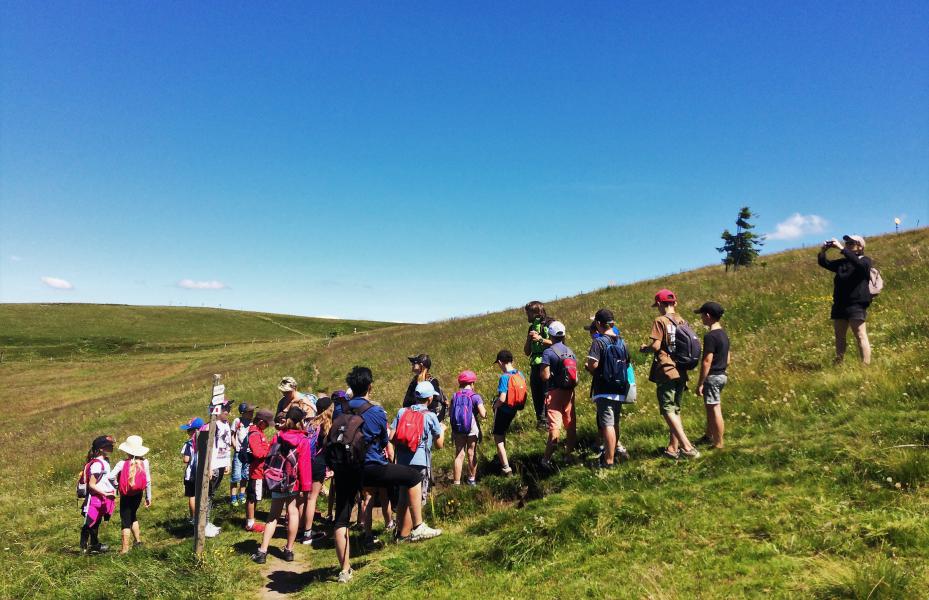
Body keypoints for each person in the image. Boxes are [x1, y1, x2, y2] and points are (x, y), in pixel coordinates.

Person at [331, 366, 442, 584]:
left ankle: (344, 571)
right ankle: (418, 526)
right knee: (412, 477)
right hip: (371, 467)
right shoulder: (376, 411)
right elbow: (384, 440)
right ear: (370, 386)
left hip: (344, 469)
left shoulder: (339, 409)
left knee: (341, 519)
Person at [639, 289, 700, 460]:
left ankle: (687, 447)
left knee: (667, 409)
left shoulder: (660, 321)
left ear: (659, 304)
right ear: (675, 303)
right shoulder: (683, 321)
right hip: (681, 370)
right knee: (675, 409)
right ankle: (673, 448)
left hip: (666, 369)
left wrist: (645, 349)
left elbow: (656, 346)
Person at [251, 406, 313, 564]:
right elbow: (305, 465)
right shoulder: (303, 440)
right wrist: (306, 487)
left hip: (277, 480)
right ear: (300, 421)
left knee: (273, 516)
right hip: (293, 483)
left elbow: (269, 457)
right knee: (293, 513)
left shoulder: (278, 436)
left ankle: (262, 551)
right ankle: (289, 550)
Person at [585, 309, 632, 467]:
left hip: (604, 388)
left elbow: (593, 365)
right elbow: (627, 362)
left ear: (598, 323)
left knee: (607, 424)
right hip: (620, 387)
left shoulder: (599, 342)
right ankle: (615, 452)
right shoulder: (622, 342)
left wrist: (589, 368)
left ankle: (608, 460)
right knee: (615, 422)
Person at [817, 235, 874, 364]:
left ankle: (866, 365)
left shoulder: (865, 261)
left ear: (860, 247)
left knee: (860, 334)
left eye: (851, 243)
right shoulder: (842, 263)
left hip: (856, 304)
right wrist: (823, 251)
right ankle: (839, 362)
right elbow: (824, 263)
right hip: (840, 304)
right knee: (839, 336)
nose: (847, 244)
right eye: (846, 242)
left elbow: (859, 265)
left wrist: (842, 249)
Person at [392, 381, 445, 509]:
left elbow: (391, 437)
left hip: (402, 461)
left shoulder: (402, 412)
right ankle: (417, 520)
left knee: (403, 497)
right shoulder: (431, 416)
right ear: (430, 398)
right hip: (420, 461)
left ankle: (401, 521)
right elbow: (439, 445)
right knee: (418, 499)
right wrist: (442, 430)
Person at [539, 321, 577, 468]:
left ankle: (546, 460)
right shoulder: (570, 351)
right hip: (570, 392)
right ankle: (569, 456)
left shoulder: (548, 352)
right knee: (570, 424)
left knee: (554, 427)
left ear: (550, 335)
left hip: (555, 393)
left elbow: (545, 376)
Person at [694, 302, 730, 449]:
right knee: (710, 407)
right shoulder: (724, 335)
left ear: (708, 316)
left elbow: (707, 361)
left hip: (713, 376)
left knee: (715, 408)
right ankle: (708, 436)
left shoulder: (710, 336)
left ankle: (719, 443)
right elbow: (728, 359)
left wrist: (700, 383)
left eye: (702, 315)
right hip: (722, 375)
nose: (701, 318)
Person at [108, 435, 152, 554]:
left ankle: (125, 549)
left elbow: (110, 477)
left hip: (126, 495)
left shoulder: (122, 463)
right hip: (138, 494)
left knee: (125, 520)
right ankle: (138, 541)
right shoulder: (145, 462)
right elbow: (148, 481)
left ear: (127, 451)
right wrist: (148, 497)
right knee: (133, 515)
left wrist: (117, 485)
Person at [299, 395, 333, 545]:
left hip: (305, 462)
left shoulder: (310, 423)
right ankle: (307, 534)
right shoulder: (327, 425)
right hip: (318, 462)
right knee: (312, 498)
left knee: (303, 496)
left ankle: (300, 528)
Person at [80, 435, 116, 554]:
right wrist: (105, 493)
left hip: (102, 497)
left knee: (96, 523)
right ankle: (83, 549)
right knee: (89, 523)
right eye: (109, 445)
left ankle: (94, 545)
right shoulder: (97, 464)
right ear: (101, 448)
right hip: (95, 498)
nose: (112, 447)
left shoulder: (105, 462)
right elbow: (92, 485)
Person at [492, 350, 527, 476]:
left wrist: (495, 405)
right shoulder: (520, 374)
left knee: (498, 437)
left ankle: (506, 468)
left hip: (503, 411)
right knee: (503, 433)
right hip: (514, 409)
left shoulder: (504, 377)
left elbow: (502, 398)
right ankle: (503, 458)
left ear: (500, 362)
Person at [450, 370, 486, 485]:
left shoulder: (455, 396)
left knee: (459, 454)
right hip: (471, 428)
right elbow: (483, 414)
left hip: (458, 428)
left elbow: (451, 413)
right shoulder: (475, 397)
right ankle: (471, 480)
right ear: (472, 383)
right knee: (471, 453)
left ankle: (456, 483)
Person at [523, 301, 555, 429]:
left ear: (536, 312)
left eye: (528, 313)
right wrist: (529, 339)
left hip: (548, 363)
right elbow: (527, 352)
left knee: (547, 393)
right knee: (536, 394)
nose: (527, 316)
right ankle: (541, 421)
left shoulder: (551, 324)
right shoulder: (532, 328)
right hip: (535, 365)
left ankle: (550, 421)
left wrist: (540, 339)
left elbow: (557, 343)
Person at [244, 409, 274, 533]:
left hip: (259, 470)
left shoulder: (258, 432)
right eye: (267, 424)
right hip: (256, 471)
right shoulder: (255, 434)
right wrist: (270, 451)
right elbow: (258, 453)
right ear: (261, 422)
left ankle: (251, 521)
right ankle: (250, 523)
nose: (267, 426)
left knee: (255, 496)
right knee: (252, 497)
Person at [402, 354, 448, 421]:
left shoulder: (432, 382)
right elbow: (406, 402)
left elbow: (434, 404)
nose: (412, 365)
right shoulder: (414, 381)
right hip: (417, 418)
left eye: (414, 363)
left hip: (427, 419)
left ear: (421, 365)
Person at [179, 417, 204, 523]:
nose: (187, 432)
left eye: (189, 430)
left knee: (192, 496)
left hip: (191, 474)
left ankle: (194, 518)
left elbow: (186, 459)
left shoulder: (188, 444)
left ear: (195, 431)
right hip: (202, 472)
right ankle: (202, 517)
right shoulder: (205, 442)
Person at [230, 402, 255, 506]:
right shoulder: (237, 421)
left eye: (252, 411)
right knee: (236, 476)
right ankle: (233, 497)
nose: (252, 413)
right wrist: (235, 446)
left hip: (248, 452)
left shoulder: (253, 423)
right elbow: (232, 434)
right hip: (239, 452)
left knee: (245, 475)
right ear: (243, 412)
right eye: (250, 411)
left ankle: (242, 495)